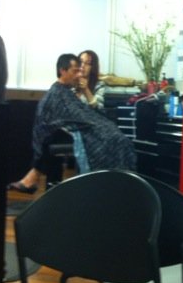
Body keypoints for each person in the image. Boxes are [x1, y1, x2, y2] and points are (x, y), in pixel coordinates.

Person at [8, 53, 135, 193]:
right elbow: (69, 116)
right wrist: (92, 123)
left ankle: (117, 184)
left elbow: (89, 112)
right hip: (72, 131)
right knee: (114, 140)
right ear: (63, 71)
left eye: (85, 66)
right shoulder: (59, 92)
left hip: (87, 127)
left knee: (118, 139)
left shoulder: (86, 88)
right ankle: (111, 185)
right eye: (75, 70)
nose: (79, 73)